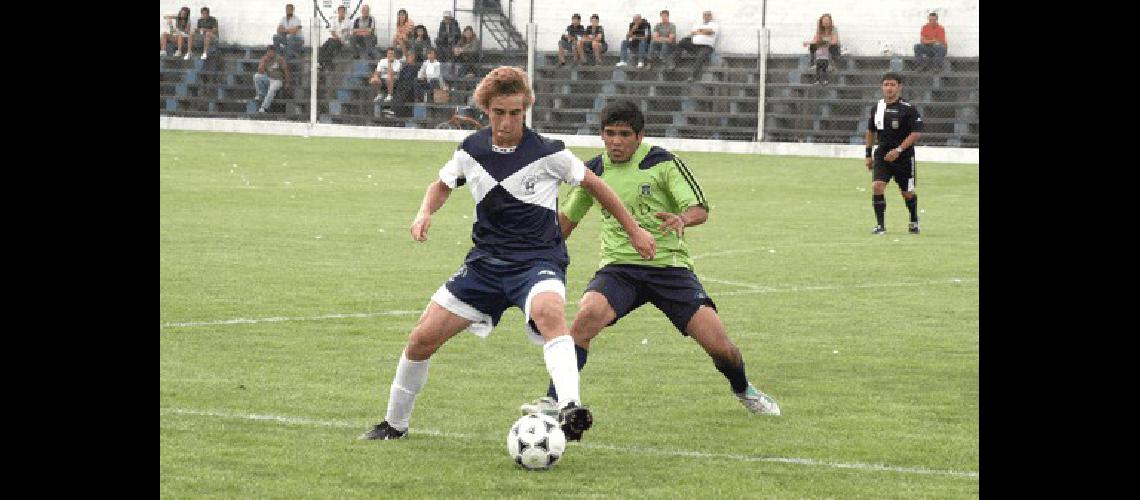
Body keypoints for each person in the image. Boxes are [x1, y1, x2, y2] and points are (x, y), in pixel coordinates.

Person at [359, 66, 657, 442]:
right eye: (499, 112)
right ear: (486, 109)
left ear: (525, 110)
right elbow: (442, 184)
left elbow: (597, 186)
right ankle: (394, 425)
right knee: (421, 339)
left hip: (538, 263)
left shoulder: (549, 152)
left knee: (550, 313)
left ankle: (569, 407)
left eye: (516, 113)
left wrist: (634, 231)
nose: (507, 121)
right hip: (484, 266)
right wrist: (424, 212)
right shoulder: (471, 149)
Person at [518, 100, 782, 419]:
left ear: (640, 137)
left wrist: (683, 219)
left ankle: (743, 389)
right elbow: (565, 223)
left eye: (624, 134)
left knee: (720, 346)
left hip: (670, 269)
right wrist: (531, 247)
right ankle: (554, 400)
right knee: (586, 317)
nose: (616, 141)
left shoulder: (662, 162)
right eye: (609, 133)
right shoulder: (593, 172)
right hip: (619, 269)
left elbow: (700, 208)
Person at [864, 73, 924, 235]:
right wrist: (868, 154)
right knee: (877, 186)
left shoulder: (908, 108)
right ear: (882, 87)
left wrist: (898, 150)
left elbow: (916, 133)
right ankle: (880, 225)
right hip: (883, 154)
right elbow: (870, 131)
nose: (889, 88)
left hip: (903, 156)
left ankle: (913, 220)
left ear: (899, 87)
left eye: (892, 85)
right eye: (886, 85)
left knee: (907, 193)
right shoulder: (877, 107)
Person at [673, 10, 719, 82]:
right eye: (704, 15)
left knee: (700, 56)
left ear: (711, 17)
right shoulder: (698, 24)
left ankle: (693, 76)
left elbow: (710, 32)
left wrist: (699, 31)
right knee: (682, 41)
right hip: (695, 45)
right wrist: (702, 31)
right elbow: (692, 32)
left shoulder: (714, 25)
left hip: (706, 47)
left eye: (708, 15)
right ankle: (675, 62)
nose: (706, 17)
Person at [252, 45, 291, 113]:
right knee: (256, 76)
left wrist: (287, 83)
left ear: (275, 52)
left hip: (278, 80)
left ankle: (264, 108)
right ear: (267, 52)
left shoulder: (279, 59)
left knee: (271, 90)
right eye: (269, 52)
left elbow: (286, 71)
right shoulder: (264, 58)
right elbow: (260, 71)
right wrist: (263, 62)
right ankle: (261, 94)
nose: (270, 53)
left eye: (272, 52)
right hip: (268, 78)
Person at [804, 13, 840, 82]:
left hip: (830, 46)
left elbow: (834, 40)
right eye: (824, 20)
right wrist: (808, 43)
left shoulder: (834, 29)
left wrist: (824, 43)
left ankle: (832, 64)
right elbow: (815, 40)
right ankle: (813, 63)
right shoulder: (819, 29)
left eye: (827, 20)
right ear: (821, 22)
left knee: (833, 46)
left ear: (830, 21)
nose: (826, 22)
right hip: (822, 47)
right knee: (812, 46)